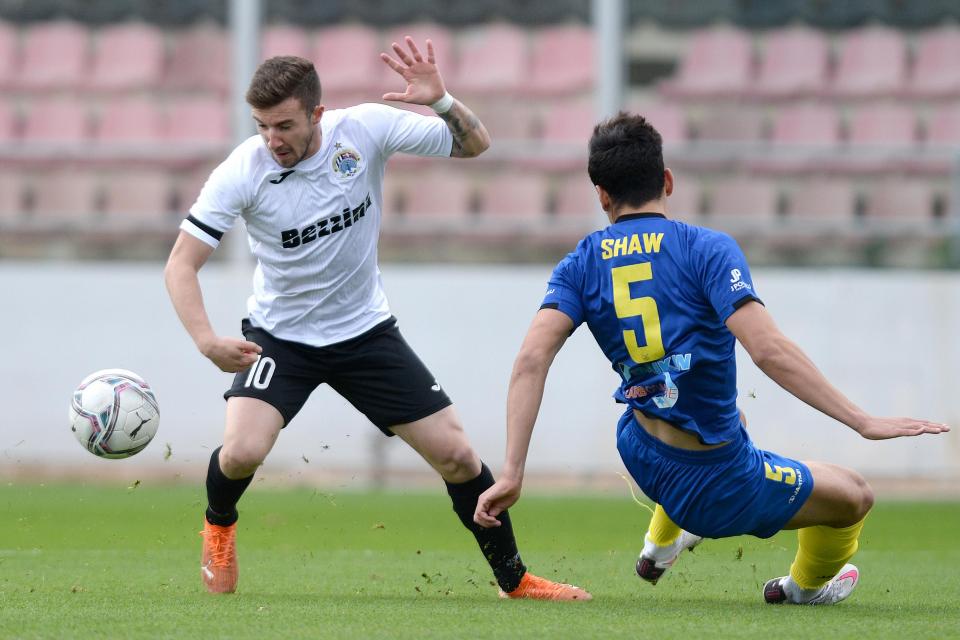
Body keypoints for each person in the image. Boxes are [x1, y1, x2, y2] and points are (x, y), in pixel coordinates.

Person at [164, 39, 590, 601]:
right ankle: (219, 525)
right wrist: (205, 341)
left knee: (459, 457)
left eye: (285, 125)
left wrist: (440, 102)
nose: (273, 140)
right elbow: (180, 265)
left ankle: (516, 580)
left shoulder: (363, 129)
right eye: (263, 126)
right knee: (242, 451)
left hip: (365, 333)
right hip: (280, 339)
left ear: (318, 113)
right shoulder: (243, 170)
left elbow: (477, 144)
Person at [473, 112, 950, 605]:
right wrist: (862, 421)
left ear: (602, 195)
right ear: (668, 181)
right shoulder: (706, 249)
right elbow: (767, 349)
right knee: (855, 495)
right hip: (715, 484)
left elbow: (531, 360)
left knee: (727, 413)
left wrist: (511, 471)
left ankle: (658, 547)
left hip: (637, 446)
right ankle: (802, 590)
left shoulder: (581, 261)